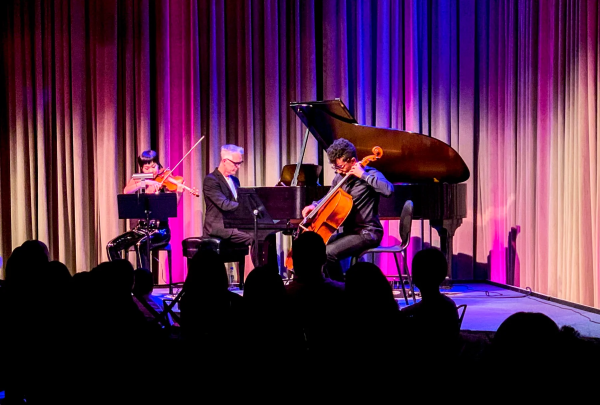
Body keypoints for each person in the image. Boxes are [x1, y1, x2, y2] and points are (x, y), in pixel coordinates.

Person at [301, 138, 394, 281]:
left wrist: (362, 174)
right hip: (350, 232)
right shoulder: (340, 178)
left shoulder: (370, 172)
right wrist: (314, 205)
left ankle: (341, 292)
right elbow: (329, 197)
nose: (339, 171)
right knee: (318, 249)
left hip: (368, 232)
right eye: (336, 168)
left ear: (352, 160)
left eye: (340, 166)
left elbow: (388, 190)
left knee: (328, 253)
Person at [106, 150, 183, 270]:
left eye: (154, 166)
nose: (151, 171)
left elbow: (173, 207)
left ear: (158, 165)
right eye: (146, 168)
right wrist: (144, 182)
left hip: (160, 231)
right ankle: (122, 279)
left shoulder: (165, 179)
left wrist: (178, 193)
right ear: (142, 168)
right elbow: (126, 191)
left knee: (141, 244)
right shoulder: (139, 178)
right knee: (111, 246)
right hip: (140, 230)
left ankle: (144, 283)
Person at [202, 144, 258, 266]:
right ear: (225, 161)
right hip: (219, 228)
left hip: (234, 226)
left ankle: (270, 274)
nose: (238, 167)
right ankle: (260, 274)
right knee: (255, 237)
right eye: (235, 163)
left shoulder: (235, 180)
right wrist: (248, 208)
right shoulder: (211, 180)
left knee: (265, 234)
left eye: (240, 163)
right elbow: (224, 204)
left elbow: (239, 201)